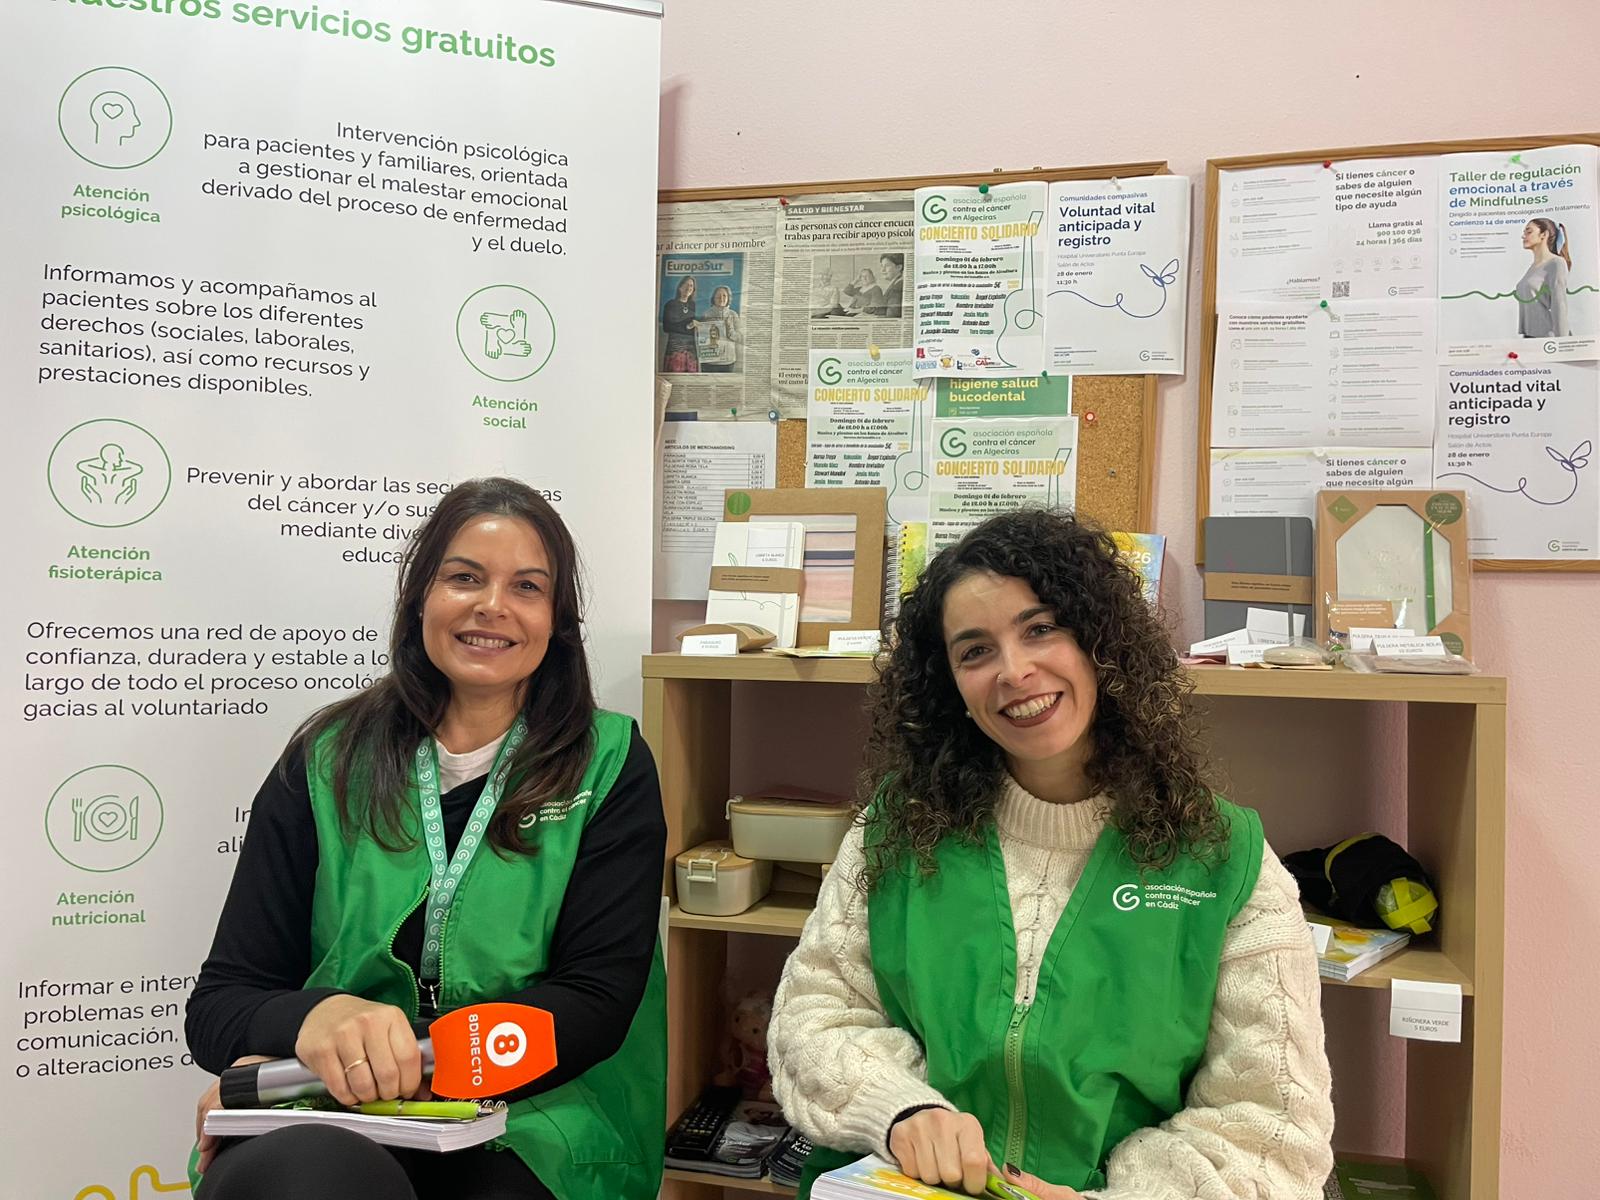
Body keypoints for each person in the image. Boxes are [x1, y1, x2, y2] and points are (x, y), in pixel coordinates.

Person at [768, 508, 1335, 1199]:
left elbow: (1273, 1130)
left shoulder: (1225, 860)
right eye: (975, 651)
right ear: (949, 685)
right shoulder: (897, 828)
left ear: (1101, 640)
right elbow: (813, 1016)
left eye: (1040, 629)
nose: (1015, 671)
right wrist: (902, 1108)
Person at [185, 478, 667, 1200]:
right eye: (464, 577)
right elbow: (221, 1004)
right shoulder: (324, 759)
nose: (492, 607)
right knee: (298, 1183)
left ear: (558, 621)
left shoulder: (609, 762)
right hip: (332, 1103)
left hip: (534, 1116)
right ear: (420, 599)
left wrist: (416, 1060)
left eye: (527, 587)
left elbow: (596, 1001)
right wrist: (317, 1019)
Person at [1517, 217, 1572, 337]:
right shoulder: (1532, 268)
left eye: (1529, 231)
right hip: (1531, 337)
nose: (1523, 236)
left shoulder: (1556, 263)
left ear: (1544, 234)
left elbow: (1560, 306)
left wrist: (1563, 344)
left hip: (1549, 339)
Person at [700, 284, 742, 372]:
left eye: (724, 295)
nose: (721, 298)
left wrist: (729, 329)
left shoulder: (733, 314)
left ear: (728, 298)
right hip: (709, 361)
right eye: (718, 296)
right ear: (713, 298)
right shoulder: (706, 314)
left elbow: (739, 337)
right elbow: (702, 338)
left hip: (728, 361)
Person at [661, 275, 700, 371]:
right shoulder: (671, 304)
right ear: (680, 287)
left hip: (691, 351)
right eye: (686, 284)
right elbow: (666, 327)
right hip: (675, 350)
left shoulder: (693, 305)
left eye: (691, 286)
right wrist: (687, 326)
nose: (688, 288)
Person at [871, 252, 905, 318]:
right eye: (882, 266)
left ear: (899, 267)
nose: (882, 270)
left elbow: (891, 316)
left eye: (887, 266)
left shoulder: (898, 286)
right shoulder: (895, 283)